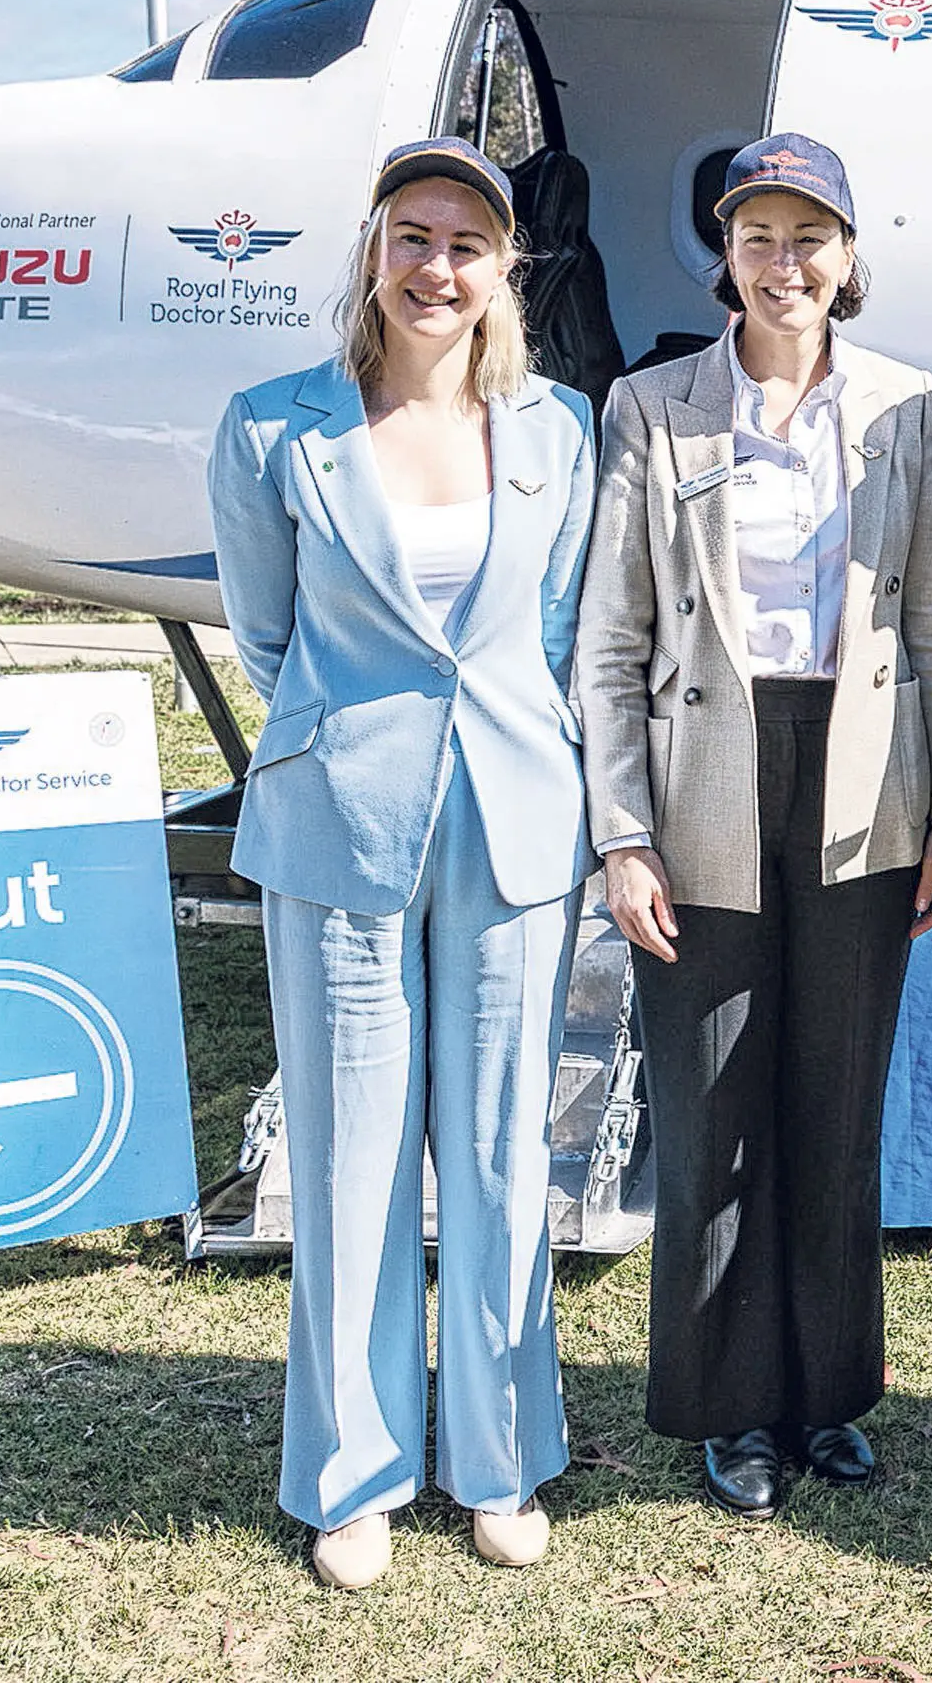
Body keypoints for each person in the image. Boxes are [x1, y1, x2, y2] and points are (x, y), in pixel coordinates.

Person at [206, 137, 595, 1589]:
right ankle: (354, 1472)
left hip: (510, 818)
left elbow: (554, 632)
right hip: (337, 821)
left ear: (505, 269)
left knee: (502, 1150)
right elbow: (265, 633)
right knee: (351, 1156)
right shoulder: (273, 427)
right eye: (413, 236)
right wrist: (354, 733)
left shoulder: (559, 429)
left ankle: (498, 1459)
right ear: (376, 251)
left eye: (467, 243)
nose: (438, 267)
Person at [575, 133, 932, 1519]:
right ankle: (730, 1400)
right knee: (712, 1106)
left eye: (811, 236)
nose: (784, 261)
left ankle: (828, 1391)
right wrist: (622, 832)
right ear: (725, 255)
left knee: (836, 1102)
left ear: (849, 259)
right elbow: (611, 638)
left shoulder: (904, 406)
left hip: (864, 784)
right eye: (759, 235)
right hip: (707, 779)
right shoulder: (652, 407)